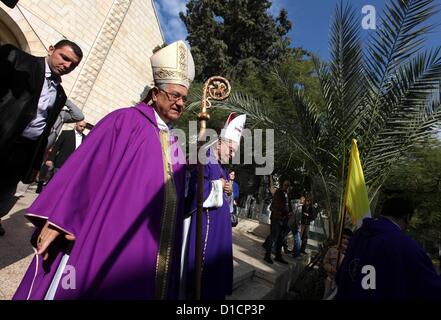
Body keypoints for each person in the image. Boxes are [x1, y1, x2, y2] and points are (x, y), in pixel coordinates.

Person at [13, 40, 195, 299]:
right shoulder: (125, 121)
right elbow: (87, 171)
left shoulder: (176, 144)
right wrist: (59, 219)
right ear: (155, 94)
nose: (180, 103)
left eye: (184, 98)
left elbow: (179, 197)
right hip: (107, 235)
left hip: (148, 250)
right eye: (174, 95)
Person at [0, 40, 83, 236]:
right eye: (65, 58)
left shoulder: (60, 94)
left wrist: (37, 161)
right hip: (3, 139)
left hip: (24, 151)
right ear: (51, 49)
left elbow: (45, 130)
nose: (68, 66)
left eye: (73, 64)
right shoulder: (18, 60)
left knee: (6, 190)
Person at [184, 112, 247, 300]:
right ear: (220, 142)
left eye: (235, 151)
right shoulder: (204, 158)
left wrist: (227, 188)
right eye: (231, 149)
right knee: (201, 281)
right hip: (206, 227)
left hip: (220, 230)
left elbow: (224, 192)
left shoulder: (222, 167)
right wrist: (219, 185)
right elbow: (194, 189)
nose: (233, 154)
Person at [335, 195, 441, 300]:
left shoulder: (359, 234)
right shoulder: (405, 245)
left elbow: (342, 274)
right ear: (407, 218)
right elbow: (430, 286)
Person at [263, 180, 293, 264]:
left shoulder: (287, 195)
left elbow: (289, 206)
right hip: (277, 218)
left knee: (281, 238)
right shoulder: (279, 193)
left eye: (288, 185)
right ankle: (267, 255)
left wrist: (290, 212)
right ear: (282, 185)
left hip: (284, 219)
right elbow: (277, 205)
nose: (287, 187)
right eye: (286, 185)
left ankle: (278, 256)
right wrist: (287, 212)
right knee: (273, 237)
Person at [322, 227, 352, 299]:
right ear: (339, 238)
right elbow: (325, 263)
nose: (345, 240)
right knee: (326, 297)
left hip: (341, 284)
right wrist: (331, 269)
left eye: (348, 239)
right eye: (343, 238)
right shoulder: (332, 249)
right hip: (330, 280)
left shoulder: (351, 254)